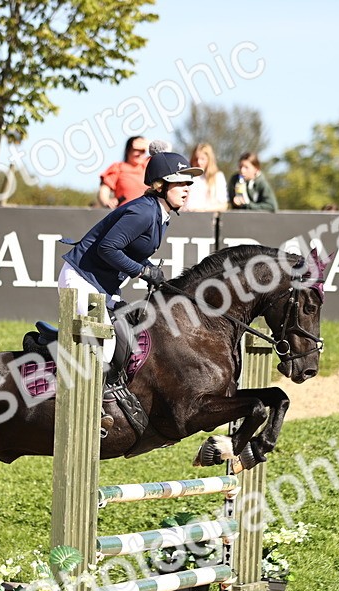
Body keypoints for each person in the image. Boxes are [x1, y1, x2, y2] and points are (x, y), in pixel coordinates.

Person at [61, 145, 202, 430]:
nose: (187, 188)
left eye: (189, 183)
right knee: (109, 341)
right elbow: (107, 248)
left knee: (130, 333)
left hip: (101, 286)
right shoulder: (143, 212)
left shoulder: (159, 214)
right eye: (181, 183)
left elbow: (131, 250)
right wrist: (143, 271)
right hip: (82, 279)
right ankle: (89, 410)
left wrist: (148, 267)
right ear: (161, 185)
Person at [97, 135, 149, 208]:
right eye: (136, 150)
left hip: (150, 214)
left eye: (143, 150)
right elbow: (104, 190)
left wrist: (150, 145)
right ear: (128, 150)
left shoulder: (150, 166)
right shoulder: (117, 168)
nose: (139, 154)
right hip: (126, 214)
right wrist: (107, 202)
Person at [181, 142, 227, 212]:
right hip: (186, 216)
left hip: (207, 218)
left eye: (202, 159)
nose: (199, 162)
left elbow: (223, 205)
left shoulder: (217, 177)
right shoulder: (186, 176)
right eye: (196, 159)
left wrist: (202, 210)